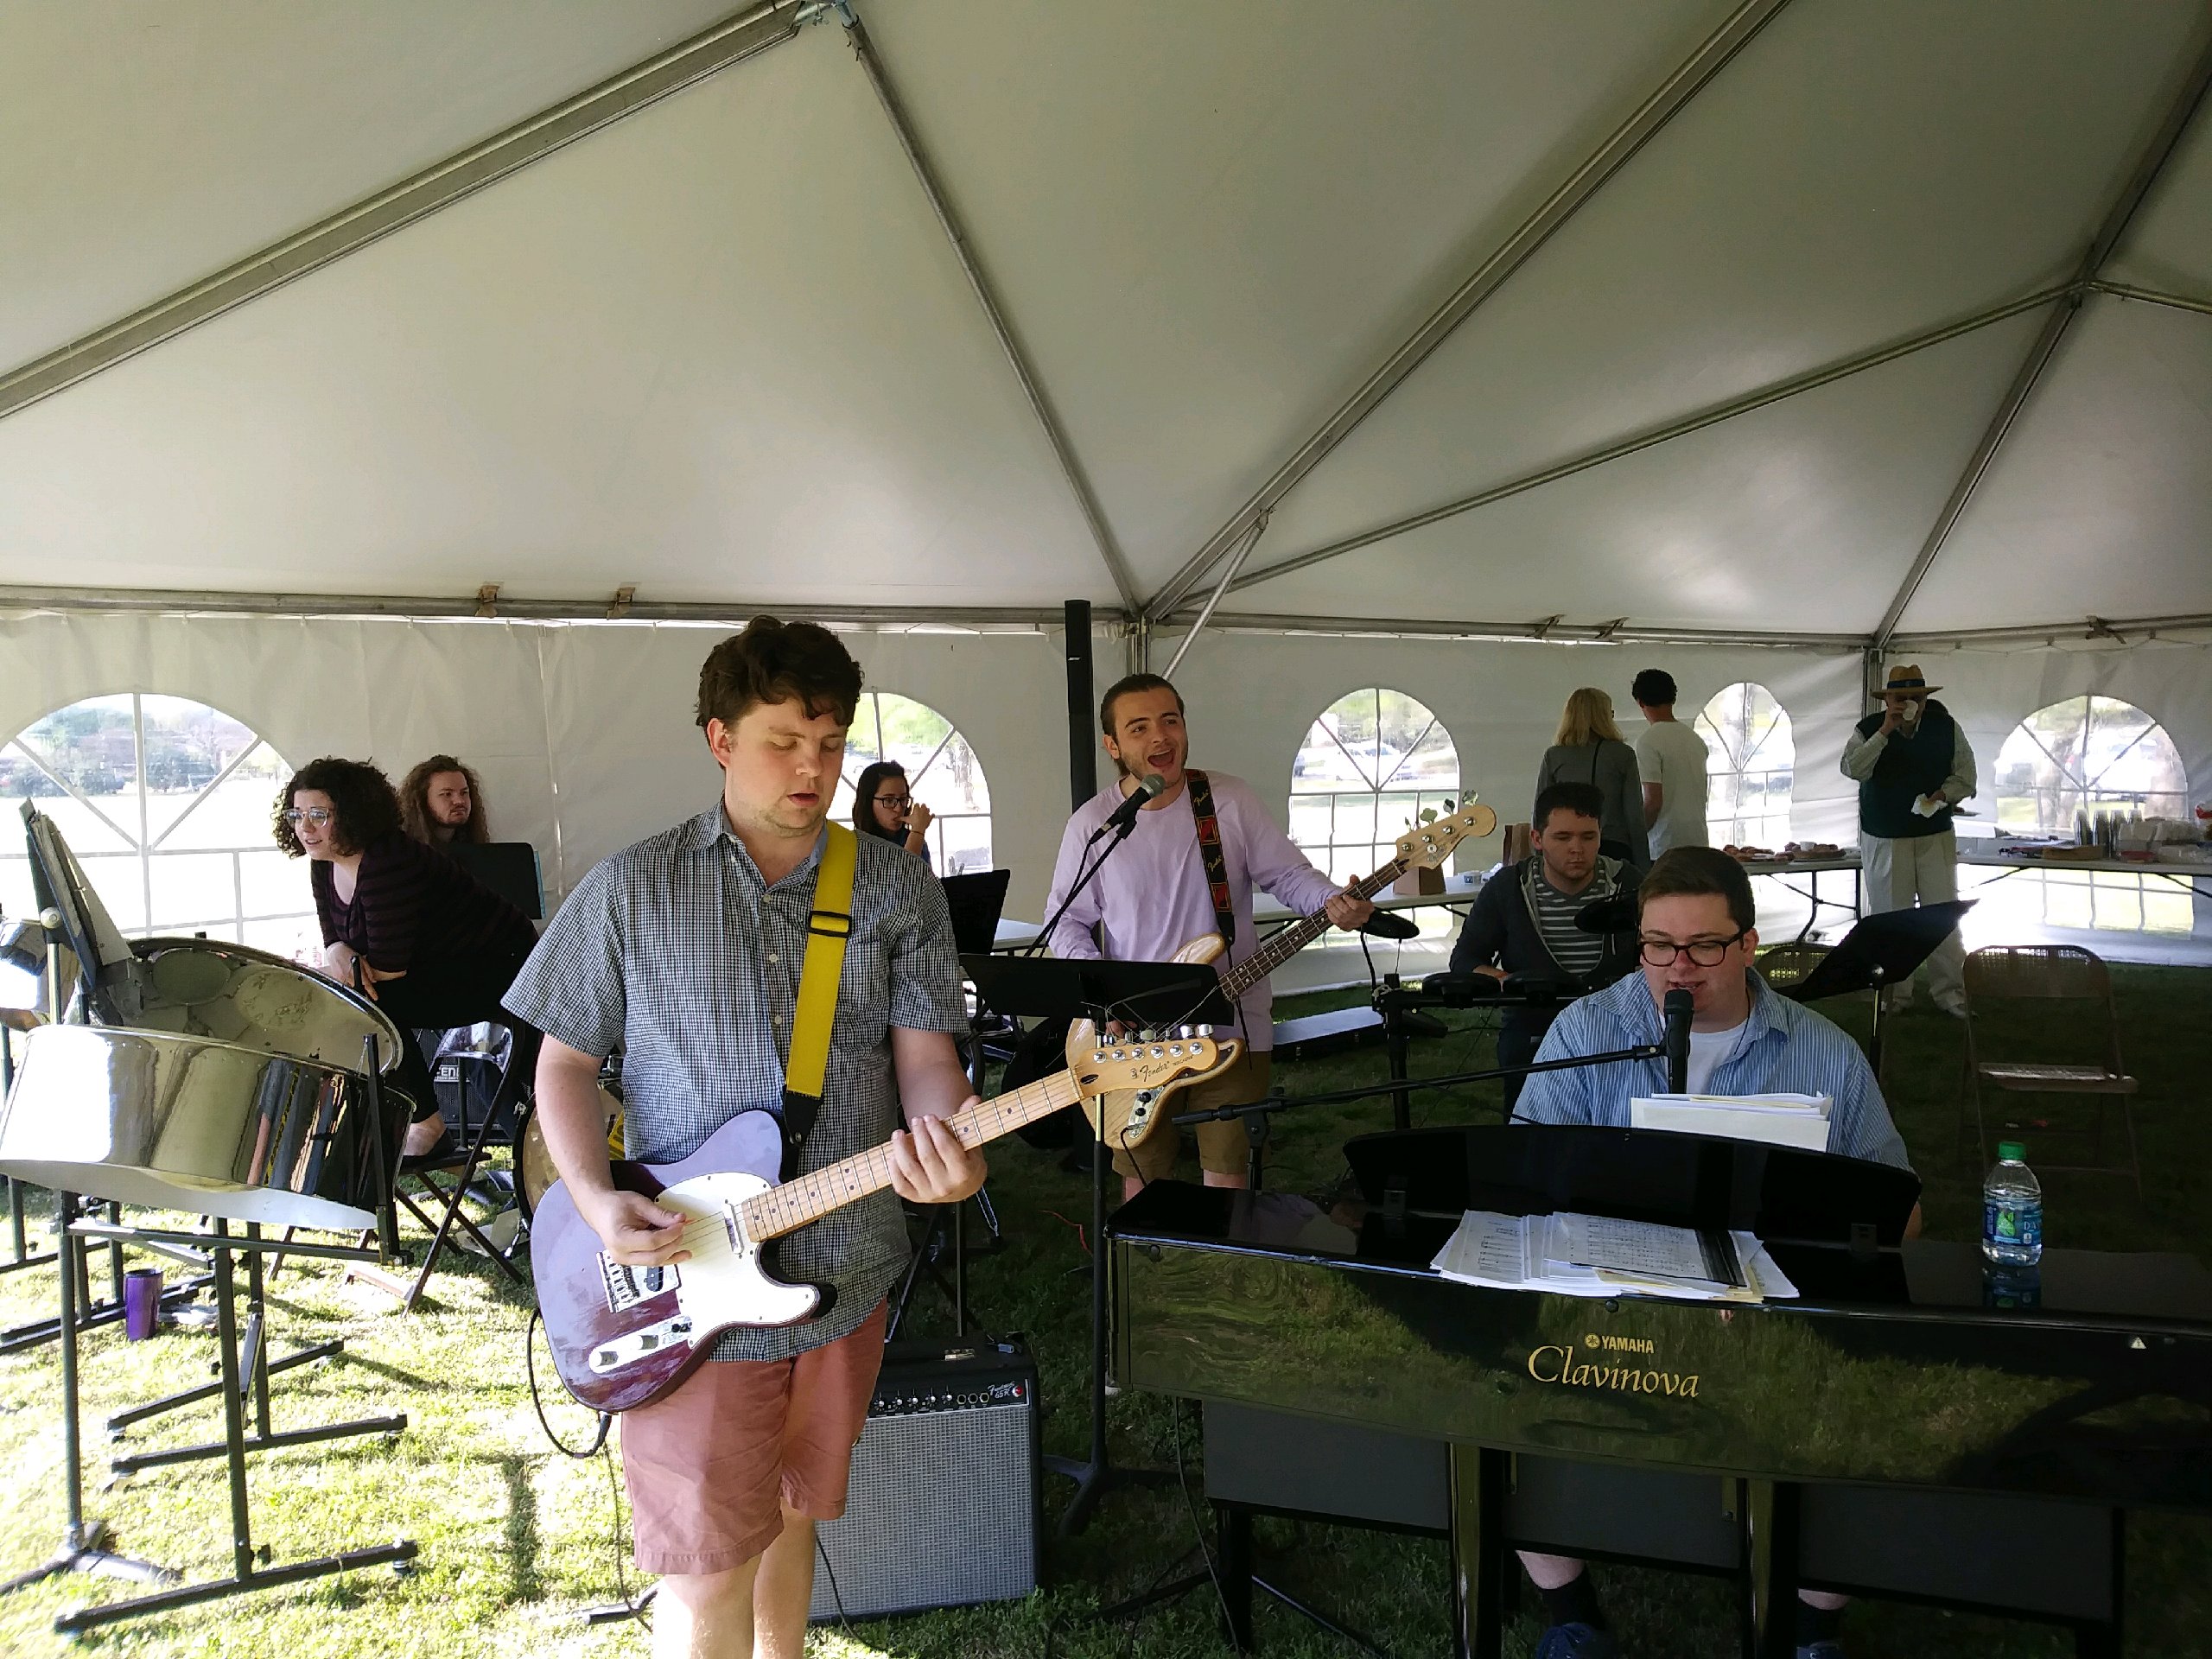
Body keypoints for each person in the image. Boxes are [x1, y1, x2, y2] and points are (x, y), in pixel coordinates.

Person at [500, 616, 983, 1659]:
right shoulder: (633, 886)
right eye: (783, 742)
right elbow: (562, 1067)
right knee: (706, 1568)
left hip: (847, 1266)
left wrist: (947, 1138)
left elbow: (925, 1060)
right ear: (720, 739)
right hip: (686, 1280)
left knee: (795, 1519)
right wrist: (595, 1200)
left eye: (830, 743)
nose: (812, 769)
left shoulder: (894, 884)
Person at [1511, 846, 1914, 1659]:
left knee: (1864, 1398)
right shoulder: (1586, 1030)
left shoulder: (1823, 1050)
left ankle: (1813, 1626)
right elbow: (1522, 1177)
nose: (1677, 968)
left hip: (1771, 1313)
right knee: (1499, 1373)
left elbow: (1896, 1209)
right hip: (1613, 1304)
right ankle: (1571, 1615)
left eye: (1703, 947)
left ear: (1749, 944)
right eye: (1658, 945)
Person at [1045, 672, 1373, 1199]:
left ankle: (1220, 1256)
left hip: (1230, 1023)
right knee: (1143, 1175)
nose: (1160, 737)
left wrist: (1330, 900)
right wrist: (1104, 995)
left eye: (1170, 720)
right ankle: (1144, 1255)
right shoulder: (1093, 825)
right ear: (1113, 746)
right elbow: (1066, 921)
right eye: (1139, 727)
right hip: (1136, 1035)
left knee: (1225, 1173)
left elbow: (1288, 875)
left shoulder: (1227, 800)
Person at [274, 758, 540, 1160]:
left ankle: (427, 1125)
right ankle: (379, 1122)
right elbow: (334, 939)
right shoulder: (323, 864)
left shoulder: (388, 861)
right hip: (437, 969)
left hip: (503, 971)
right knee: (358, 999)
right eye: (297, 815)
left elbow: (387, 968)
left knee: (370, 1002)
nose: (305, 828)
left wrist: (323, 974)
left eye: (318, 815)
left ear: (352, 814)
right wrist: (337, 953)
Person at [1446, 782, 1637, 1113]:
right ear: (1537, 839)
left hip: (1617, 1025)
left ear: (1600, 836)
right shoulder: (1508, 889)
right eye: (1563, 838)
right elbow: (1464, 959)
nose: (1576, 849)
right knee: (1530, 1125)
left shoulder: (1627, 883)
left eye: (1588, 837)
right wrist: (1505, 980)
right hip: (1533, 1026)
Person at [1840, 664, 1974, 1017]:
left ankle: (1950, 993)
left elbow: (1966, 776)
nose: (1909, 703)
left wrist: (1943, 795)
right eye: (1901, 697)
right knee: (1891, 917)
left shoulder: (1946, 727)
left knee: (1943, 915)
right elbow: (1853, 769)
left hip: (1934, 834)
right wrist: (1886, 730)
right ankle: (1894, 994)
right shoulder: (1868, 729)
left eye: (1916, 697)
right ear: (1888, 700)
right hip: (1885, 835)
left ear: (1925, 699)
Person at [1535, 688, 1648, 873]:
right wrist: (1643, 867)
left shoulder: (1554, 756)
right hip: (1614, 848)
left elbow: (1541, 812)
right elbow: (1634, 816)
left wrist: (1538, 860)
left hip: (1566, 848)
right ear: (1603, 717)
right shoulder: (1622, 754)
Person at [1630, 668, 1709, 859]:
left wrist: (1635, 837)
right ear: (1673, 699)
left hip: (1665, 845)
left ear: (1640, 702)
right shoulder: (1695, 739)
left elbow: (1653, 802)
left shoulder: (1648, 741)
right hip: (1698, 840)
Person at [850, 758, 933, 862]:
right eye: (889, 800)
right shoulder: (855, 846)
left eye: (903, 799)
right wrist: (917, 832)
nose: (898, 808)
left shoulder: (911, 838)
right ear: (868, 802)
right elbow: (905, 872)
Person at [398, 754, 490, 846]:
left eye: (464, 793)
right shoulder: (402, 847)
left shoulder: (474, 843)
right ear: (422, 799)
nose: (460, 801)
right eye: (447, 794)